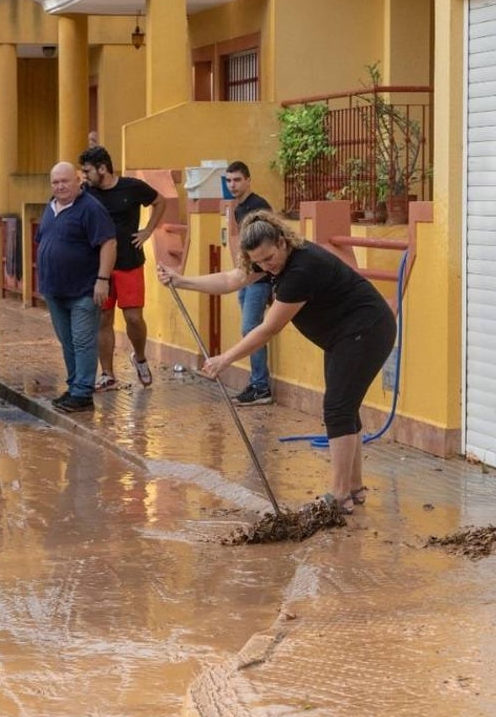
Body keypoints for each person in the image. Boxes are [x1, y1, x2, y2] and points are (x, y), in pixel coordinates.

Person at [157, 210, 396, 514]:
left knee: (337, 408)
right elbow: (232, 279)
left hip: (366, 329)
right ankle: (353, 488)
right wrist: (182, 281)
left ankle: (338, 495)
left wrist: (225, 358)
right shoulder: (272, 262)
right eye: (258, 262)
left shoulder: (301, 269)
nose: (265, 266)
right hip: (344, 335)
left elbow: (269, 327)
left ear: (283, 242)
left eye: (269, 258)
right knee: (344, 407)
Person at [78, 146, 167, 390]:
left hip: (130, 263)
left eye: (87, 171)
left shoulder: (132, 187)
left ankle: (139, 357)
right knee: (103, 318)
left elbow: (160, 201)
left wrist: (148, 231)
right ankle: (107, 374)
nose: (84, 176)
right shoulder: (86, 192)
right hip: (99, 269)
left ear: (102, 168)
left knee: (134, 318)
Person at [35, 161, 117, 413]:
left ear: (78, 180)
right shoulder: (50, 208)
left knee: (82, 341)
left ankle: (82, 393)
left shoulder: (90, 208)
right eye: (55, 182)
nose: (60, 186)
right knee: (67, 341)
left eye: (65, 181)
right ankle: (73, 387)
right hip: (55, 290)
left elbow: (109, 243)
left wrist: (102, 280)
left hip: (84, 289)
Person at [224, 161, 275, 405]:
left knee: (251, 330)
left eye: (237, 180)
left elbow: (272, 239)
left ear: (248, 181)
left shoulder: (259, 206)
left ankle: (261, 386)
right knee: (248, 330)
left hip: (260, 279)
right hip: (247, 278)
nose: (232, 185)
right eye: (229, 180)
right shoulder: (238, 209)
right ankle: (257, 383)